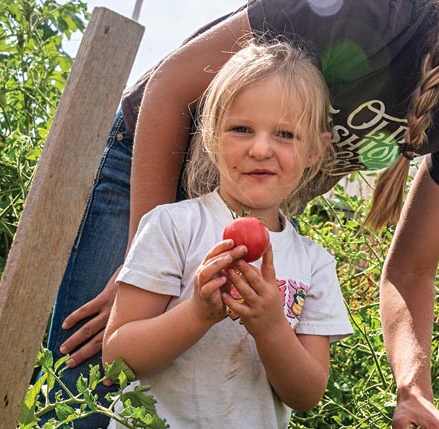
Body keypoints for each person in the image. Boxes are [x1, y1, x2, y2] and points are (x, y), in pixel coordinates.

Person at [45, 1, 439, 428]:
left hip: (254, 204)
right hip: (153, 155)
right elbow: (171, 87)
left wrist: (413, 388)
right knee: (88, 384)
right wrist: (140, 261)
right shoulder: (376, 11)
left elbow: (412, 269)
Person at [102, 40, 353, 428]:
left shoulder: (314, 263)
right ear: (210, 133)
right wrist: (197, 314)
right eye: (241, 129)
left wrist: (271, 327)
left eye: (285, 134)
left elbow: (307, 394)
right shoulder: (172, 227)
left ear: (316, 150)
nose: (261, 148)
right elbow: (116, 360)